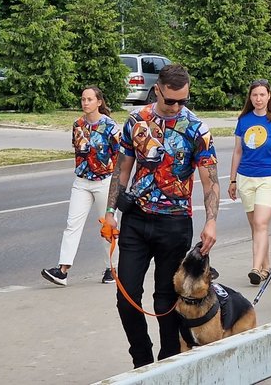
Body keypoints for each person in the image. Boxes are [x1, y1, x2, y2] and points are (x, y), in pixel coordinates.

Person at [102, 64, 220, 368]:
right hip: (136, 222)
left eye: (184, 100)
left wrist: (210, 221)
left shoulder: (197, 129)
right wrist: (110, 212)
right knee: (126, 296)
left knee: (166, 301)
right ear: (158, 90)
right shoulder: (136, 121)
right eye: (171, 101)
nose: (178, 107)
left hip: (175, 223)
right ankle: (141, 361)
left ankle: (168, 363)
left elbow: (210, 180)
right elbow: (122, 169)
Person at [41, 86, 121, 286]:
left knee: (107, 226)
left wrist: (117, 183)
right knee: (72, 224)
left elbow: (120, 158)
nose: (85, 103)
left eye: (89, 99)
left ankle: (112, 268)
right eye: (83, 99)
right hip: (82, 181)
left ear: (99, 102)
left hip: (105, 181)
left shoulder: (110, 127)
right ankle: (62, 270)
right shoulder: (77, 125)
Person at [228, 79, 271, 285]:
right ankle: (266, 267)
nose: (258, 99)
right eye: (255, 95)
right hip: (246, 177)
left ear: (269, 96)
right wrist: (233, 179)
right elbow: (237, 151)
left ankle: (255, 268)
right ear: (250, 97)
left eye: (262, 95)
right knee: (256, 226)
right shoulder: (244, 120)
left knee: (261, 223)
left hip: (270, 178)